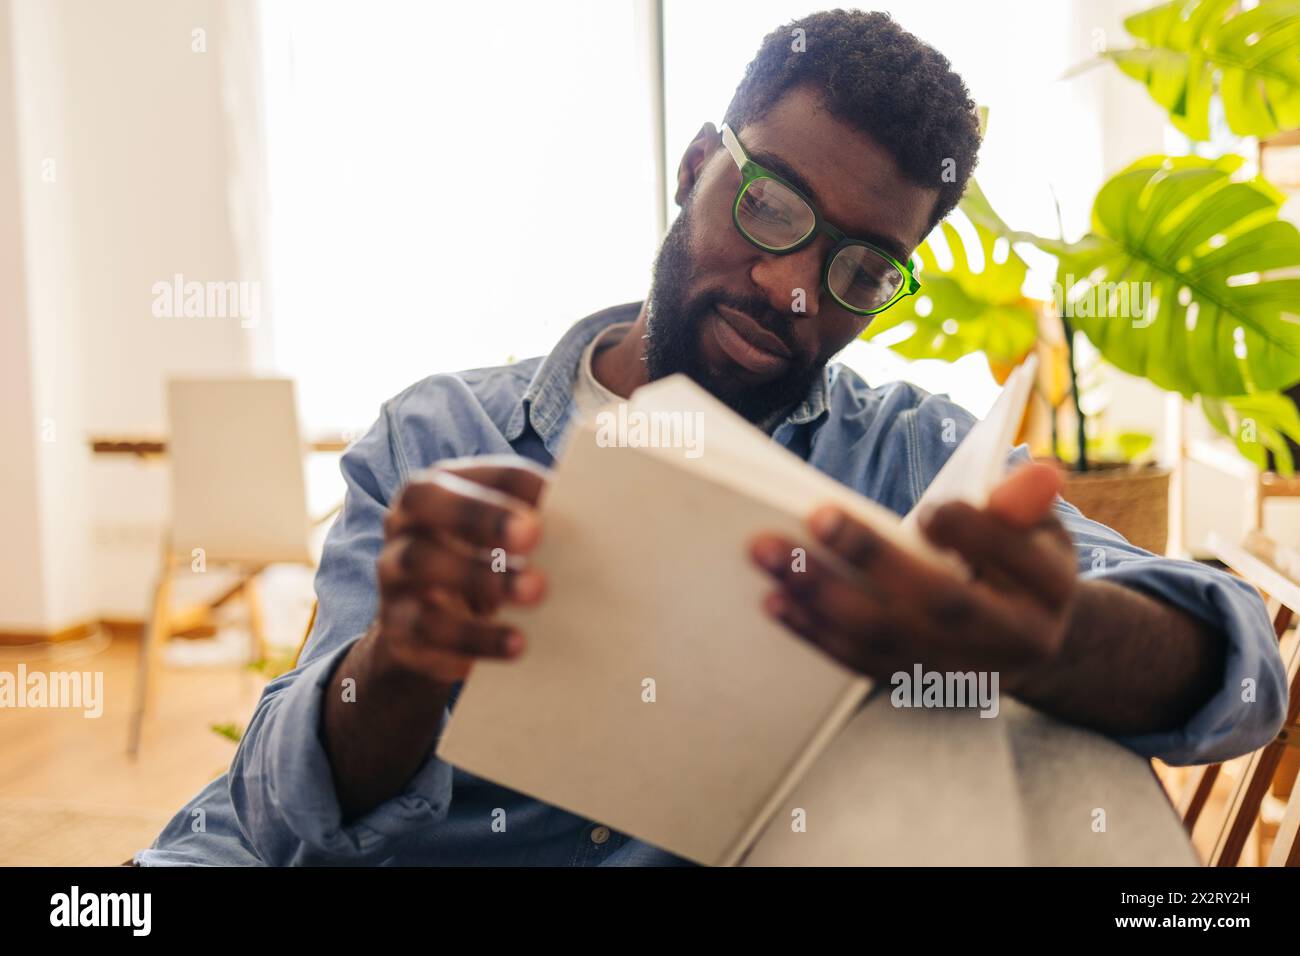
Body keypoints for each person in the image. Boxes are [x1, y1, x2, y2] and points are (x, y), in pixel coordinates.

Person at [137, 10, 1286, 866]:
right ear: (696, 168)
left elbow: (1242, 663)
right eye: (771, 204)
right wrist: (400, 662)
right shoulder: (443, 436)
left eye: (858, 268)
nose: (791, 287)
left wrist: (1049, 631)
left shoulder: (907, 460)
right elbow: (279, 805)